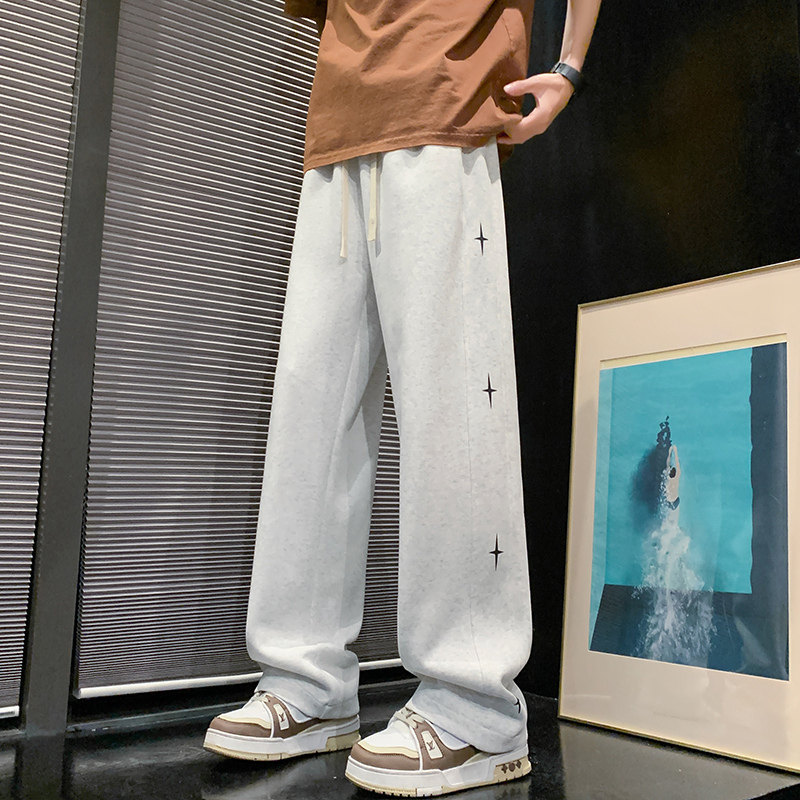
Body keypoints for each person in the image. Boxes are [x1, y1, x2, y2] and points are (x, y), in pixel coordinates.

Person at [204, 0, 601, 795]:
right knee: (311, 414)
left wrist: (567, 65)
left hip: (448, 98)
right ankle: (307, 683)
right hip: (338, 118)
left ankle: (475, 705)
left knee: (457, 406)